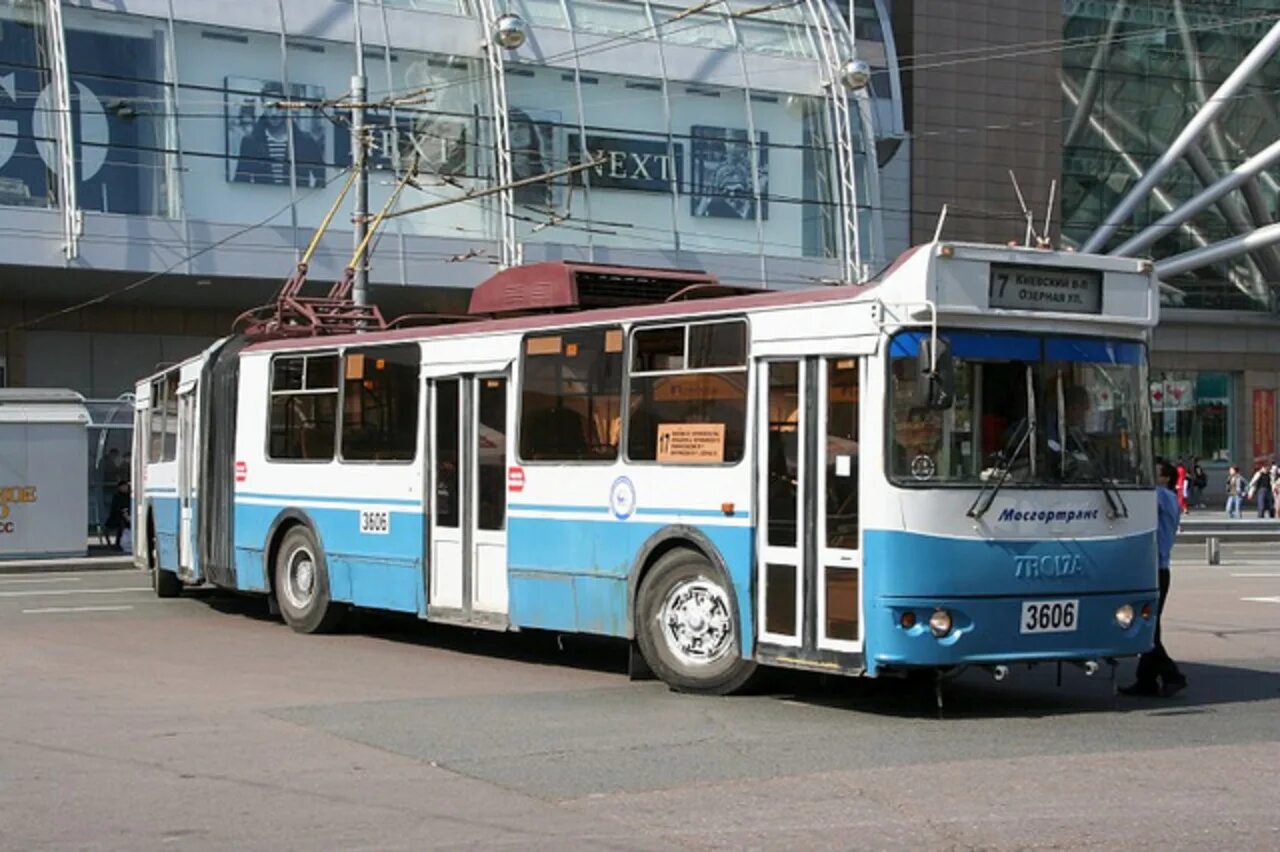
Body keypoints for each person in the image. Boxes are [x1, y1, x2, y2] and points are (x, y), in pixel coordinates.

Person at [1120, 459, 1188, 698]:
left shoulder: (1162, 496)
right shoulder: (1165, 496)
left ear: (1165, 478)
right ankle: (1146, 681)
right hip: (1157, 567)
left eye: (1154, 472)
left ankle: (1173, 675)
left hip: (1155, 568)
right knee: (1151, 625)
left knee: (1149, 629)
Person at [234, 81, 325, 187]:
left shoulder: (306, 141)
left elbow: (322, 177)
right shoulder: (250, 142)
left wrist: (311, 198)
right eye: (269, 107)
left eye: (278, 107)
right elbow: (240, 180)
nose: (274, 113)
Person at [105, 480, 131, 552]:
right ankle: (118, 544)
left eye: (126, 486)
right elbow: (116, 508)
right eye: (123, 487)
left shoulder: (129, 496)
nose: (125, 488)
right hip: (116, 517)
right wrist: (124, 512)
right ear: (119, 488)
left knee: (127, 522)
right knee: (122, 524)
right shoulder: (117, 496)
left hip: (126, 516)